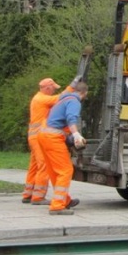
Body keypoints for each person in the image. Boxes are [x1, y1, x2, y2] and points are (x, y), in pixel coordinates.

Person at [38, 82, 88, 215]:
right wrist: (76, 135)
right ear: (84, 94)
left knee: (54, 171)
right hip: (53, 138)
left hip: (43, 136)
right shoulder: (74, 101)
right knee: (65, 170)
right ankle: (57, 206)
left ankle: (64, 200)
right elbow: (71, 118)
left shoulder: (64, 98)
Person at [21, 78, 62, 205]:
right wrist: (72, 90)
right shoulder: (42, 98)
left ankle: (28, 194)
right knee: (44, 165)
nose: (54, 90)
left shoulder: (37, 98)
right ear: (47, 88)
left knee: (34, 166)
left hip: (34, 137)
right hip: (39, 138)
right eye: (53, 88)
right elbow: (60, 98)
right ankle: (38, 197)